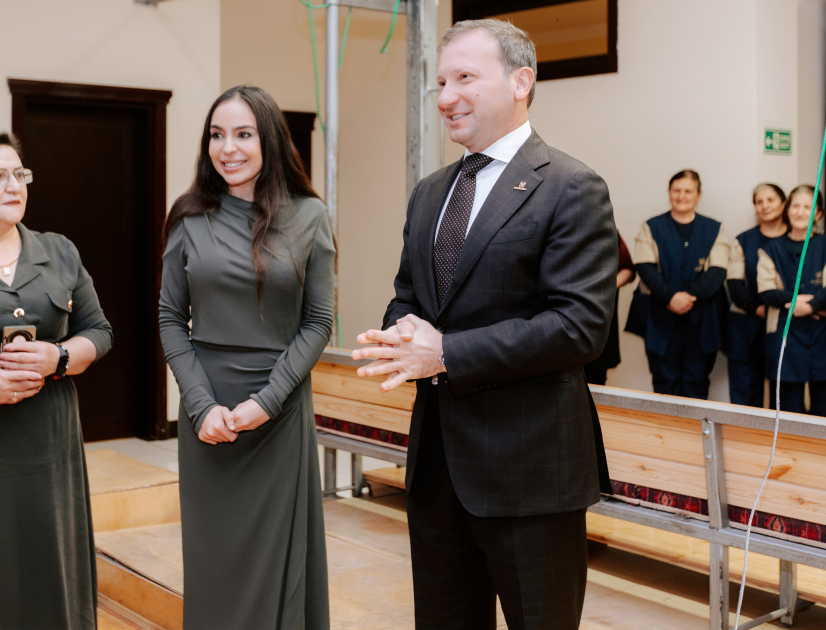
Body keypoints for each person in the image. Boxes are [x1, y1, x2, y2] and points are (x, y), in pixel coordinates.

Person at [350, 20, 616, 630]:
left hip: (530, 473)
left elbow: (580, 327)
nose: (445, 97)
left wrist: (445, 353)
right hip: (438, 469)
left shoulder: (570, 187)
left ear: (521, 81)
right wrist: (401, 335)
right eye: (441, 81)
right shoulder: (429, 192)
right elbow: (408, 297)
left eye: (464, 78)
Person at [159, 86, 334, 630]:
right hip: (206, 412)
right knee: (215, 563)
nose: (227, 148)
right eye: (216, 135)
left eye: (242, 134)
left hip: (278, 413)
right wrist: (200, 404)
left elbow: (318, 322)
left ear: (270, 140)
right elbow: (170, 318)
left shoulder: (309, 216)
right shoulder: (188, 217)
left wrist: (268, 400)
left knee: (278, 564)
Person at [0, 131, 113, 629]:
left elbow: (101, 332)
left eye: (19, 174)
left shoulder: (59, 251)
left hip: (49, 441)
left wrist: (60, 356)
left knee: (51, 559)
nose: (13, 186)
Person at [626, 170, 730, 399]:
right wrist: (671, 297)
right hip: (661, 317)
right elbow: (645, 267)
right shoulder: (651, 226)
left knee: (698, 383)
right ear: (669, 192)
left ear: (698, 195)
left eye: (688, 191)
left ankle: (695, 435)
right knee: (665, 383)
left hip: (701, 319)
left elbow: (718, 270)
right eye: (676, 190)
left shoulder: (715, 229)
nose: (681, 196)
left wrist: (689, 297)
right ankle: (666, 434)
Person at [757, 185, 826, 415]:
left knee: (825, 408)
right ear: (787, 209)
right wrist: (798, 303)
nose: (801, 212)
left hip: (824, 335)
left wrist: (810, 306)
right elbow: (766, 291)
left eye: (808, 207)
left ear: (818, 214)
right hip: (783, 334)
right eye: (796, 206)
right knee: (786, 410)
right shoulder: (770, 249)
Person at [726, 183, 787, 407]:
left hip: (785, 323)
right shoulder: (743, 240)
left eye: (770, 200)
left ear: (784, 203)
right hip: (747, 323)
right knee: (745, 390)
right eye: (759, 202)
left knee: (783, 390)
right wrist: (760, 309)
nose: (764, 206)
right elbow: (734, 283)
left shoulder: (797, 238)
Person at [584, 232, 634, 385]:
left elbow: (627, 269)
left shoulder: (608, 229)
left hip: (600, 317)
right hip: (563, 319)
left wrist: (607, 286)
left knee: (596, 377)